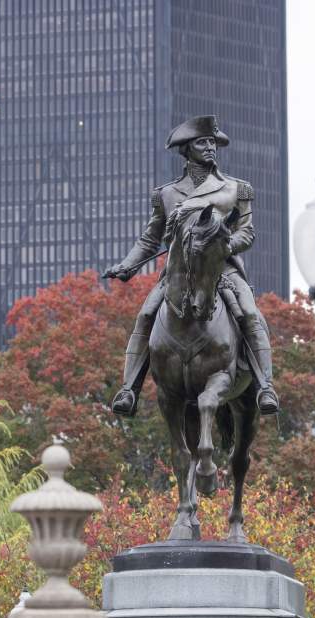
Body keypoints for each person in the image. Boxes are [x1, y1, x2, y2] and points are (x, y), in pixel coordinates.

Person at [103, 115, 279, 417]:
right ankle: (129, 388)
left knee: (250, 313)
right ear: (187, 150)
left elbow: (247, 232)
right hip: (177, 277)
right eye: (202, 142)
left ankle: (266, 386)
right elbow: (150, 239)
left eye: (212, 142)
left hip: (221, 271)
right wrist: (128, 265)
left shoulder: (236, 188)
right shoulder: (166, 194)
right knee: (146, 314)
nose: (210, 147)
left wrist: (223, 246)